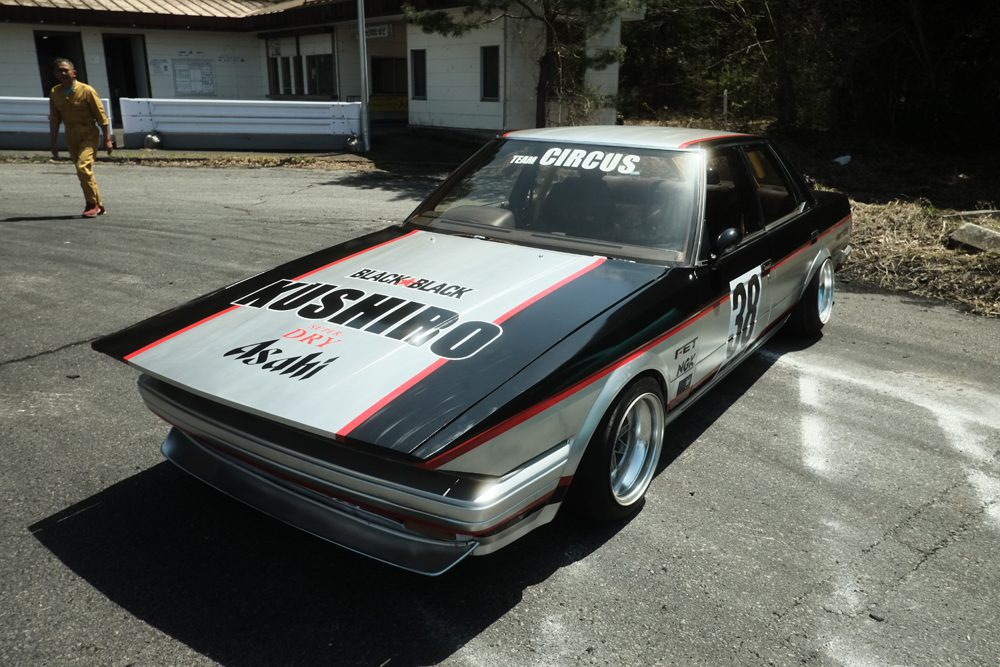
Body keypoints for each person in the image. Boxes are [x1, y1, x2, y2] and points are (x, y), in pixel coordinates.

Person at [48, 58, 114, 218]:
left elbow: (101, 116)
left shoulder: (87, 90)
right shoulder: (55, 92)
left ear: (74, 73)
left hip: (88, 134)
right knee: (84, 172)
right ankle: (99, 205)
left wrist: (107, 139)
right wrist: (53, 143)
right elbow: (55, 119)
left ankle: (91, 204)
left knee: (83, 167)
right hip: (71, 136)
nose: (62, 73)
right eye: (59, 71)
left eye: (65, 70)